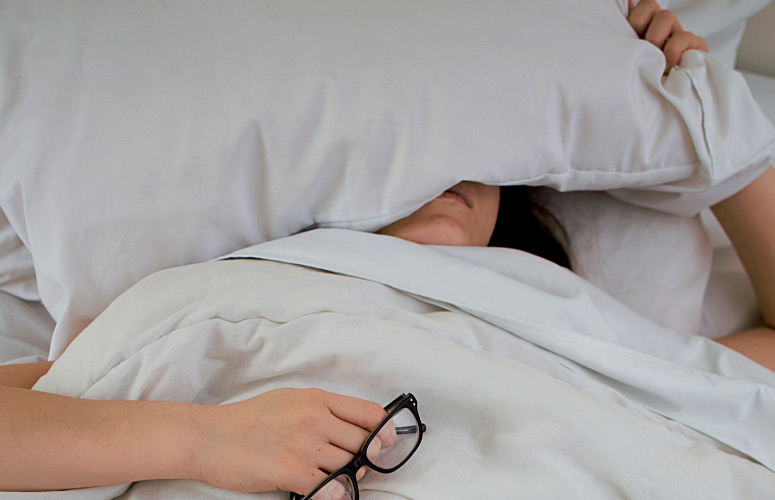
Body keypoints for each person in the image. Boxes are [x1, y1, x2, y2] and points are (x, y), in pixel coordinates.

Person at [1, 1, 770, 496]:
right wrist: (202, 440)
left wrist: (699, 102)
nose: (441, 176)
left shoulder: (572, 322)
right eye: (403, 165)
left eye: (472, 160)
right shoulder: (238, 294)